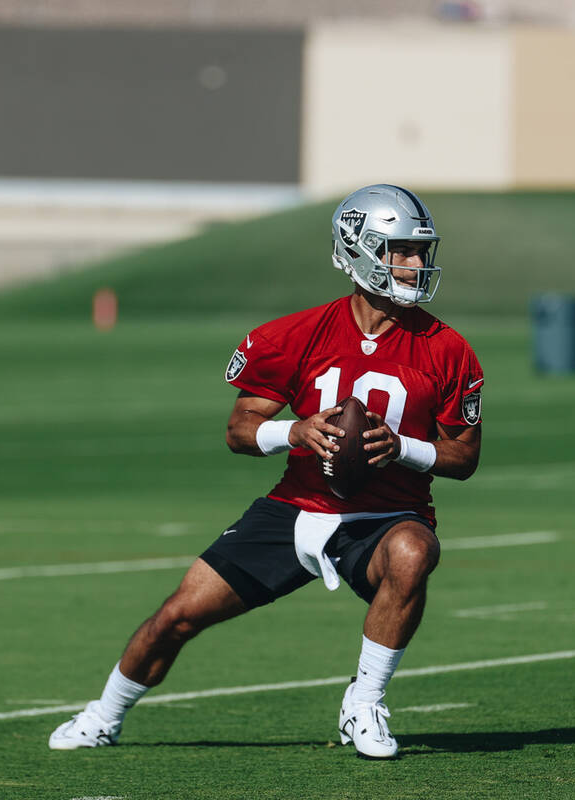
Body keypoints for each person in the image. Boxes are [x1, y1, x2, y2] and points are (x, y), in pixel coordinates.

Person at [48, 184, 484, 758]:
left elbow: (463, 456)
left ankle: (365, 701)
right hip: (293, 510)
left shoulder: (447, 348)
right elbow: (238, 429)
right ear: (357, 250)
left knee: (413, 552)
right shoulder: (296, 335)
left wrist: (399, 446)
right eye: (398, 250)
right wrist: (295, 431)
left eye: (418, 251)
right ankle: (102, 715)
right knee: (175, 619)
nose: (413, 263)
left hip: (383, 517)